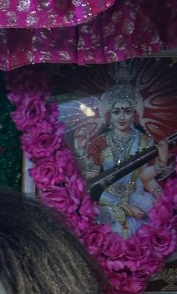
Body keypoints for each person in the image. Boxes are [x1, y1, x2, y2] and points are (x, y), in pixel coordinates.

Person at [73, 81, 170, 238]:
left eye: (127, 111)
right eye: (117, 112)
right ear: (109, 114)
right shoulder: (99, 142)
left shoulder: (145, 141)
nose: (122, 117)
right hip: (107, 198)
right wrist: (80, 152)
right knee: (110, 223)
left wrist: (162, 164)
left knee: (157, 212)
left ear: (134, 114)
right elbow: (92, 177)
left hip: (136, 195)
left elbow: (144, 177)